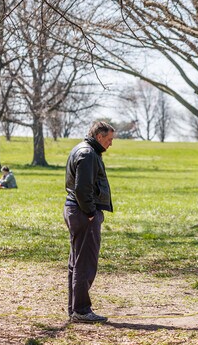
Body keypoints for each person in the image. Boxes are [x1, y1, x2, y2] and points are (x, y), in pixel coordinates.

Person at [64, 121, 115, 323]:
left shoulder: (82, 150)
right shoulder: (87, 154)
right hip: (83, 213)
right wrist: (91, 212)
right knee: (85, 263)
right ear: (99, 136)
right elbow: (82, 188)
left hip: (76, 211)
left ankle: (75, 309)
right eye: (109, 139)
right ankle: (82, 310)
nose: (111, 144)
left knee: (77, 262)